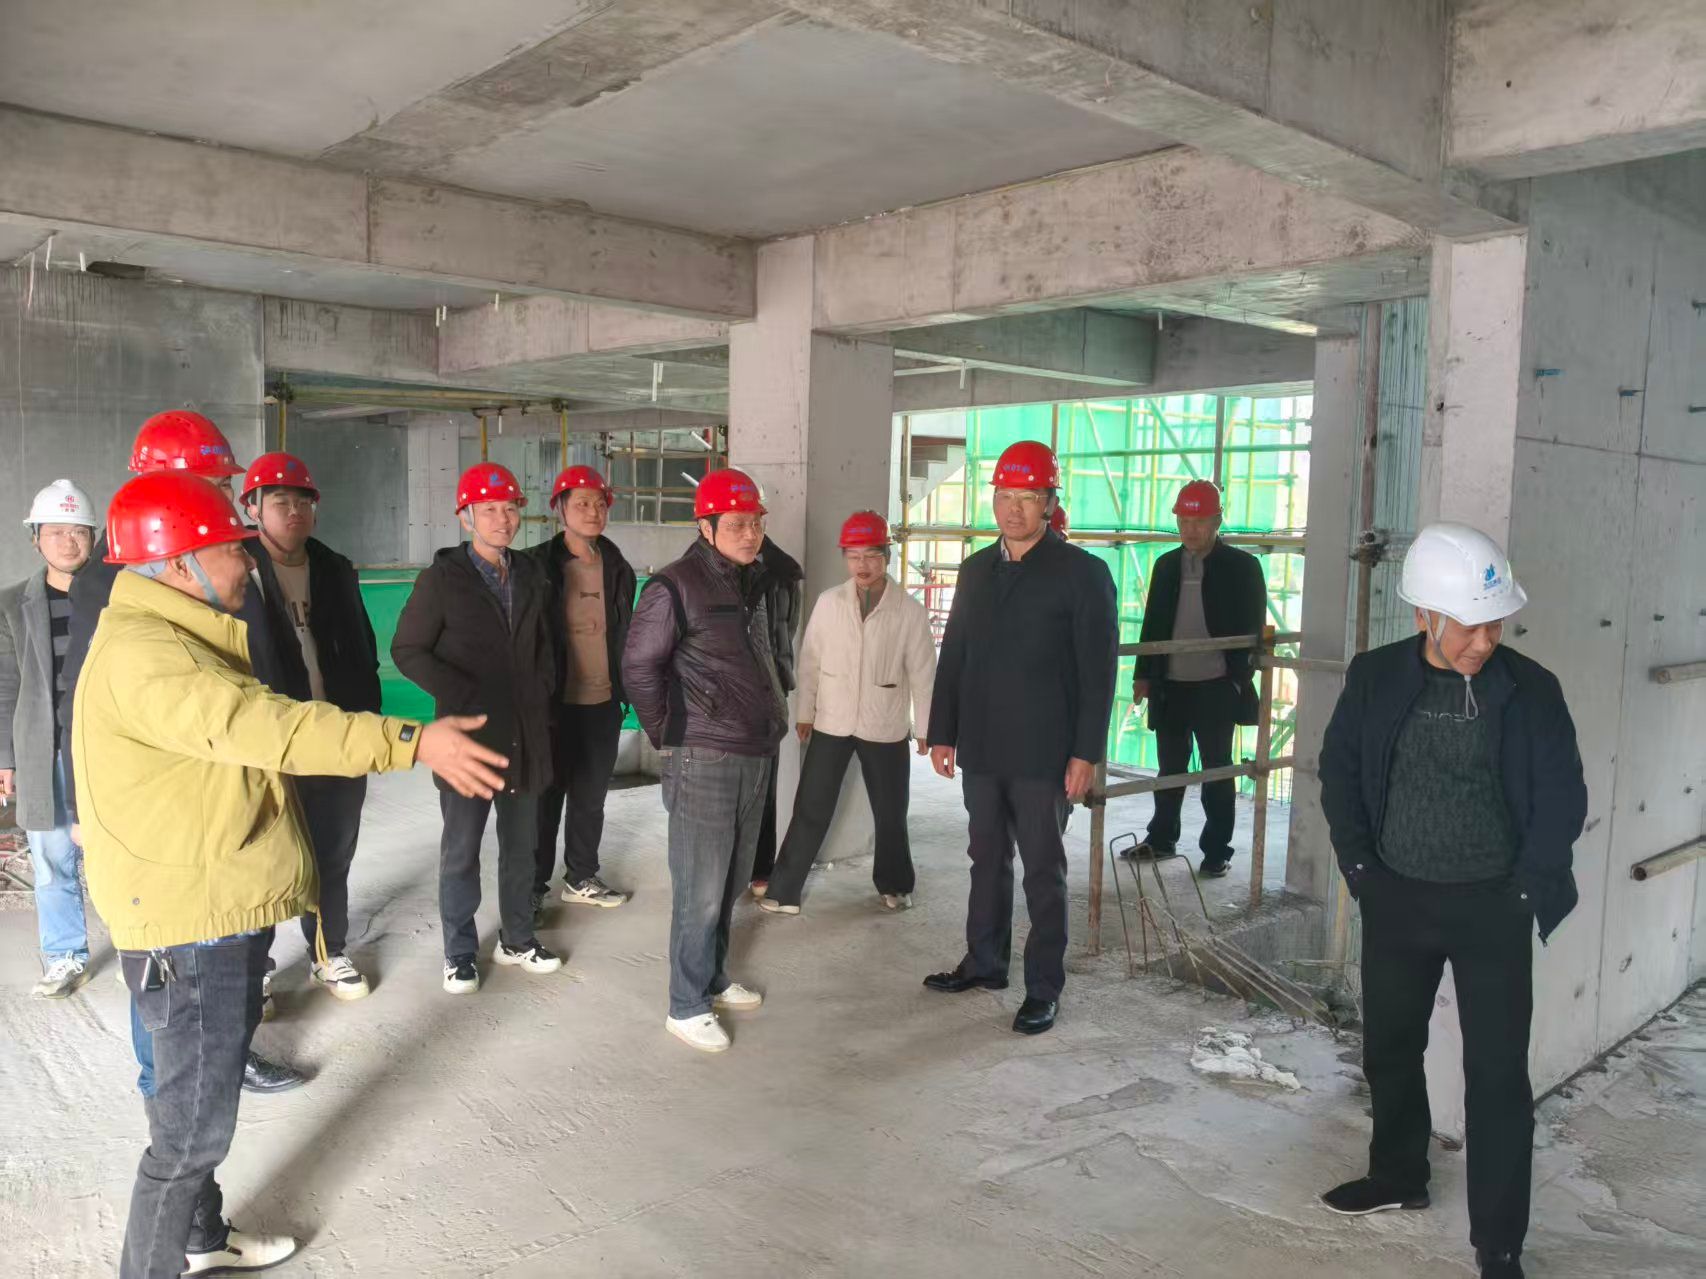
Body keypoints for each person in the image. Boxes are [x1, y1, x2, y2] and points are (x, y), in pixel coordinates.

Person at [74, 470, 506, 1278]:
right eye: (231, 549)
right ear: (179, 563)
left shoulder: (169, 632)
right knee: (188, 1138)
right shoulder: (151, 656)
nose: (247, 562)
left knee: (192, 1116)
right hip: (190, 926)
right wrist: (414, 740)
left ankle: (200, 1236)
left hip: (208, 906)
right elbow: (269, 725)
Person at [1317, 523, 1587, 1279]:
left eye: (1495, 623)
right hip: (1397, 899)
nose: (1484, 640)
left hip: (1493, 906)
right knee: (1390, 1048)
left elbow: (1563, 795)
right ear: (1423, 617)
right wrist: (1363, 871)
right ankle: (1398, 1174)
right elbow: (1340, 773)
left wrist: (1525, 889)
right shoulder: (1375, 677)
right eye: (1469, 625)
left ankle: (1498, 1243)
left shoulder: (1531, 689)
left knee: (1497, 1077)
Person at [59, 410, 301, 1093]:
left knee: (244, 932)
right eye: (211, 481)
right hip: (175, 785)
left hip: (245, 765)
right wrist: (80, 807)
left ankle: (231, 1050)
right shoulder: (109, 580)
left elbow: (272, 656)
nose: (225, 495)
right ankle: (159, 1080)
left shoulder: (236, 550)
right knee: (166, 946)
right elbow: (82, 700)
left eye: (224, 482)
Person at [923, 441, 1118, 1036]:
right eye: (1005, 496)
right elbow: (955, 652)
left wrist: (1086, 753)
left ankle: (1043, 987)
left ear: (1049, 503)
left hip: (1044, 752)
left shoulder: (1083, 574)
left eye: (1028, 497)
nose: (1014, 509)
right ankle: (984, 963)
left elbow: (1098, 673)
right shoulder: (976, 569)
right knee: (985, 858)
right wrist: (942, 731)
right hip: (982, 745)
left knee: (1042, 869)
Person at [623, 467, 786, 1053]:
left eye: (756, 523)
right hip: (704, 756)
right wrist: (670, 733)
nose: (750, 533)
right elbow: (638, 667)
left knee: (734, 878)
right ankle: (686, 1004)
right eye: (737, 524)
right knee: (701, 887)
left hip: (753, 750)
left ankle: (713, 978)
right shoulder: (674, 586)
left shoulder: (750, 580)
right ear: (706, 526)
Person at [392, 462, 561, 994]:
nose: (502, 519)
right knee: (462, 849)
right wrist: (462, 692)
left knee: (522, 847)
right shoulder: (442, 579)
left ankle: (518, 938)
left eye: (510, 509)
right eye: (489, 510)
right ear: (466, 518)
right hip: (467, 738)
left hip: (526, 734)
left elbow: (545, 645)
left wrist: (542, 689)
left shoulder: (530, 573)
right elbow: (407, 649)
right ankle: (459, 952)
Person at [242, 452, 383, 1000]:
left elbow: (363, 649)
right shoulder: (238, 568)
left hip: (335, 736)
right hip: (270, 740)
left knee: (333, 853)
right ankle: (255, 968)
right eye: (280, 501)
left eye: (303, 501)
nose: (294, 511)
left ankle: (328, 952)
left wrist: (364, 727)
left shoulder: (333, 568)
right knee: (264, 856)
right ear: (252, 508)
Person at [759, 510, 935, 916]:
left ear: (887, 555)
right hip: (831, 721)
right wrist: (805, 712)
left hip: (885, 724)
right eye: (854, 556)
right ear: (845, 558)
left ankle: (895, 883)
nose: (862, 565)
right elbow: (810, 661)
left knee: (890, 812)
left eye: (871, 555)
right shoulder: (829, 603)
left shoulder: (909, 611)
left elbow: (924, 675)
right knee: (811, 806)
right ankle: (784, 890)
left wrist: (926, 727)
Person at [1128, 479, 1267, 877]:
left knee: (1216, 770)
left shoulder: (1242, 567)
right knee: (1169, 769)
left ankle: (1216, 851)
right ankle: (1161, 839)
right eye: (1183, 521)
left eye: (1199, 521)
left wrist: (1239, 678)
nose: (1190, 529)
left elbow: (1254, 629)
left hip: (1217, 686)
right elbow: (1153, 623)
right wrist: (1144, 675)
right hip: (1171, 686)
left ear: (1217, 521)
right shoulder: (1166, 566)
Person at [0, 479, 98, 997]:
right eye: (56, 531)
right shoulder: (12, 604)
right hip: (47, 748)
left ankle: (144, 948)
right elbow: (5, 685)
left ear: (93, 537)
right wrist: (5, 756)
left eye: (78, 530)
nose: (67, 541)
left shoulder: (117, 594)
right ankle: (65, 955)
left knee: (119, 852)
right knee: (52, 857)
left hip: (108, 746)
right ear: (35, 538)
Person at [529, 464, 636, 914]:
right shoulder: (536, 566)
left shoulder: (617, 566)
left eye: (599, 503)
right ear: (559, 509)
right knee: (544, 798)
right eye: (581, 503)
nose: (593, 511)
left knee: (590, 797)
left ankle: (581, 876)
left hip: (603, 701)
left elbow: (624, 631)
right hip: (553, 705)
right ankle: (532, 887)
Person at [747, 531, 803, 898]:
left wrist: (776, 673)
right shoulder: (701, 570)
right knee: (723, 787)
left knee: (765, 784)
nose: (746, 531)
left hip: (769, 689)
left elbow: (788, 630)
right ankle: (726, 866)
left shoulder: (784, 573)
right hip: (721, 695)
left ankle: (760, 867)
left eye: (752, 520)